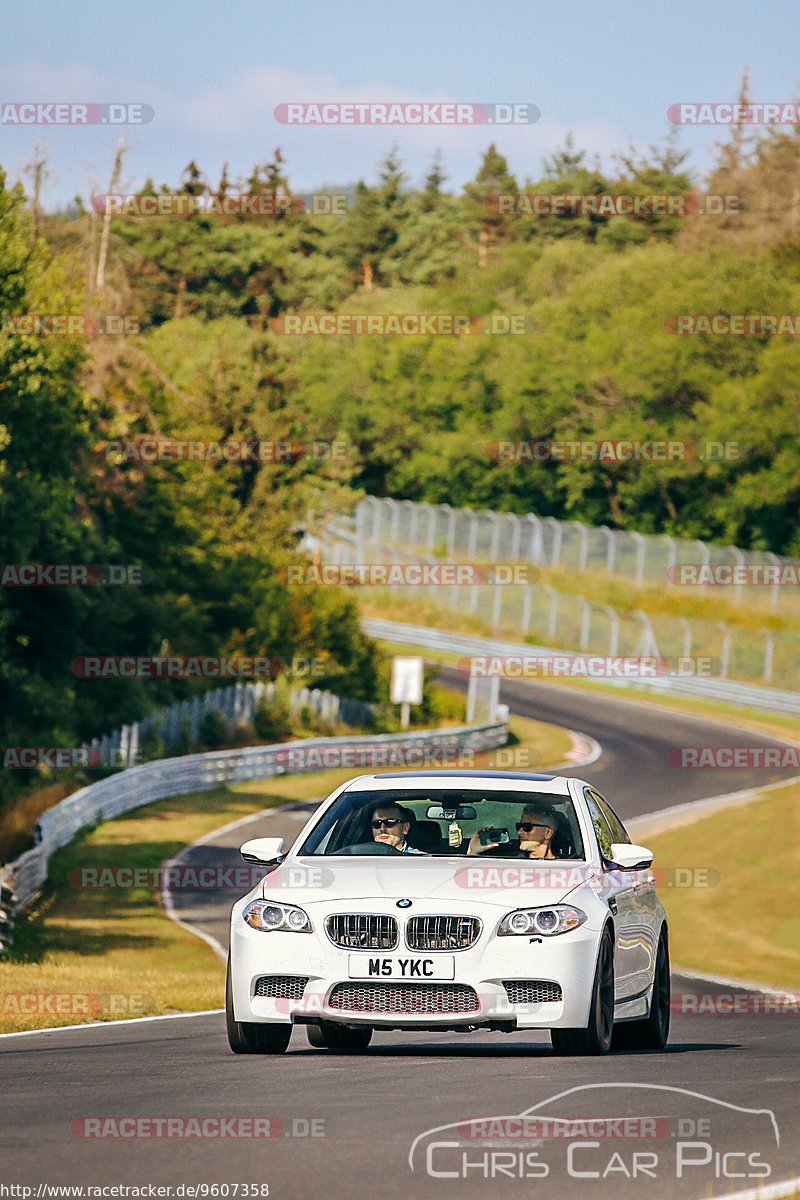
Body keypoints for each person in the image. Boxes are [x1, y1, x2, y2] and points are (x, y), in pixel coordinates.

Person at [466, 809, 556, 858]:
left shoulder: (566, 868)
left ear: (548, 832)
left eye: (527, 827)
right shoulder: (510, 861)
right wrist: (473, 851)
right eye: (519, 826)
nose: (520, 831)